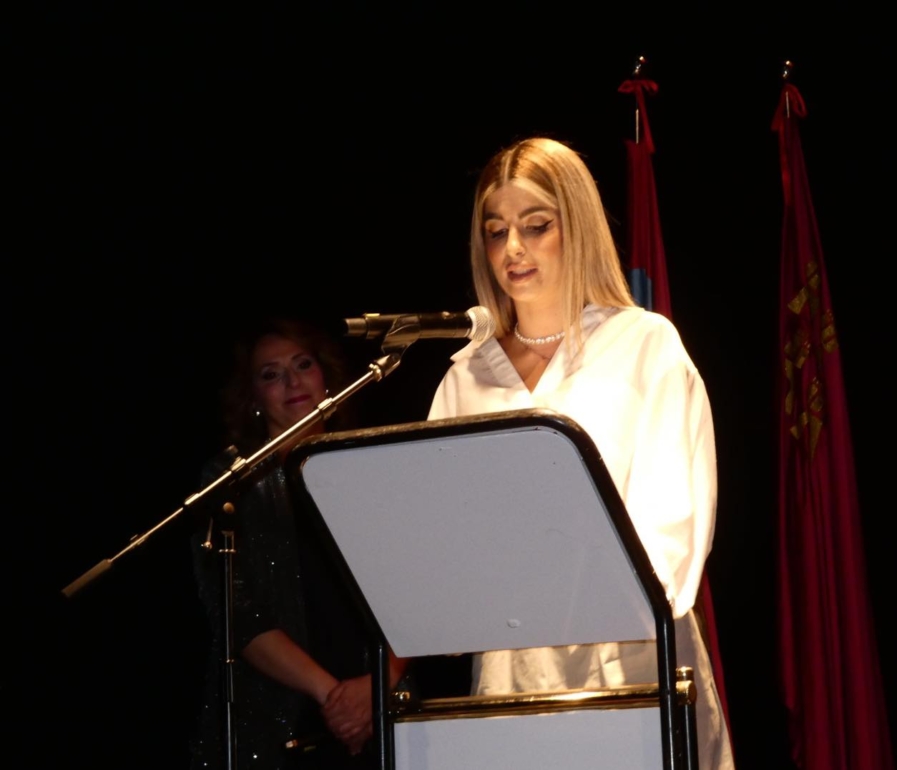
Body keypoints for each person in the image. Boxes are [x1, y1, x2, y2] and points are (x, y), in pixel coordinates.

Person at [428, 137, 734, 769]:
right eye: (496, 232)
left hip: (630, 658)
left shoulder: (642, 346)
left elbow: (672, 524)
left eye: (536, 226)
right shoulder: (466, 376)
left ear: (579, 226)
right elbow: (446, 542)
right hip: (513, 670)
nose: (513, 248)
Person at [189, 316, 406, 770]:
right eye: (271, 374)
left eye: (303, 364)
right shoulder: (230, 484)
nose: (292, 381)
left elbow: (420, 590)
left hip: (383, 709)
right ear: (252, 396)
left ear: (325, 375)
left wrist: (378, 684)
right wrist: (335, 699)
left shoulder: (373, 464)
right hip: (279, 721)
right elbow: (238, 616)